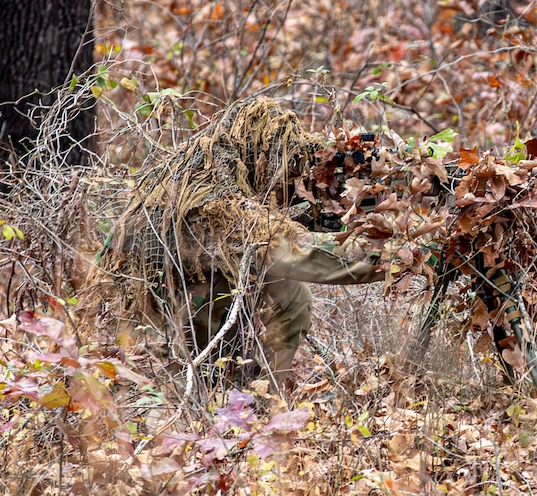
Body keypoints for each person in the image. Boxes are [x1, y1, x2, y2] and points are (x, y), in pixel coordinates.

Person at [98, 97, 387, 388]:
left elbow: (286, 195)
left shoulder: (212, 166)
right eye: (275, 159)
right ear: (255, 154)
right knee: (233, 292)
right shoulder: (213, 206)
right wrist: (393, 256)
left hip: (175, 301)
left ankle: (263, 394)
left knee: (292, 296)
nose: (282, 171)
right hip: (143, 332)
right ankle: (216, 389)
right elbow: (299, 254)